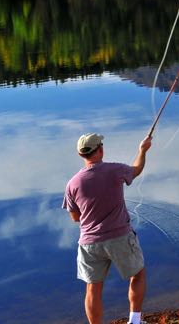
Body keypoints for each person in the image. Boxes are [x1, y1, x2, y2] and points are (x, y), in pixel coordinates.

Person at [64, 133, 152, 324]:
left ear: (81, 154)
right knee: (138, 274)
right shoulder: (115, 170)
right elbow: (136, 169)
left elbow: (75, 217)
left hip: (89, 243)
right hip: (120, 237)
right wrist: (142, 150)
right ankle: (135, 321)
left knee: (92, 288)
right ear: (101, 150)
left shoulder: (72, 184)